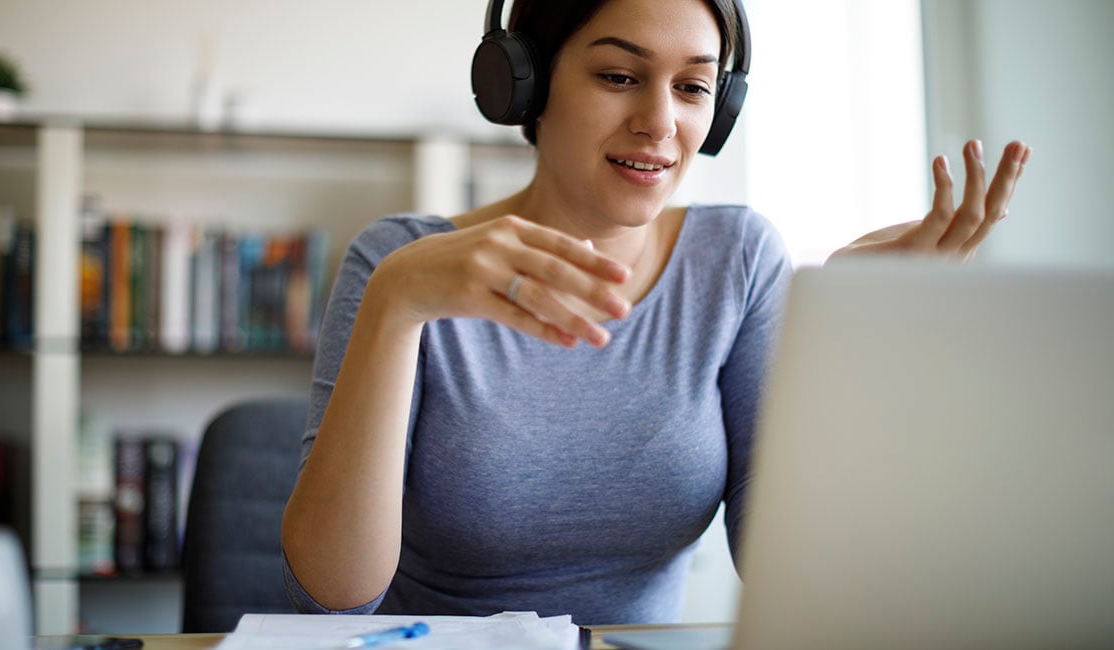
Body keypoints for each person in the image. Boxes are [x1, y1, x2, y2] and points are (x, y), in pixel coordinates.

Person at [280, 0, 1031, 625]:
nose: (660, 122)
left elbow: (793, 569)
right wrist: (397, 306)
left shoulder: (736, 261)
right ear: (525, 84)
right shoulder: (400, 265)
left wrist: (842, 345)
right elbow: (337, 590)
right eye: (618, 76)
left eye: (694, 88)